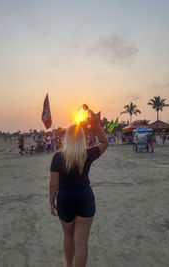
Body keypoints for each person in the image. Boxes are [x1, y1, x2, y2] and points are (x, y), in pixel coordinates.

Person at [49, 113, 108, 267]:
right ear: (83, 139)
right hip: (85, 198)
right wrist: (96, 126)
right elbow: (104, 142)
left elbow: (54, 184)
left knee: (68, 236)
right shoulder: (87, 154)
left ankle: (68, 264)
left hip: (65, 200)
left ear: (66, 139)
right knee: (81, 243)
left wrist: (51, 202)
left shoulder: (57, 158)